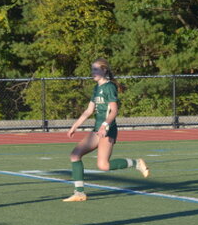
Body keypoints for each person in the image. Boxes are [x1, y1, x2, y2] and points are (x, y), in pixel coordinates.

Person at [63, 57, 149, 202]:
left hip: (107, 129)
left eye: (96, 69)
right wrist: (75, 126)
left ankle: (137, 163)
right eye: (92, 69)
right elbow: (89, 110)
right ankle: (79, 193)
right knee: (75, 155)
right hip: (97, 129)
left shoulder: (109, 87)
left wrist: (105, 126)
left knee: (103, 165)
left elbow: (114, 111)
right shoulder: (96, 88)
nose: (93, 72)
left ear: (104, 70)